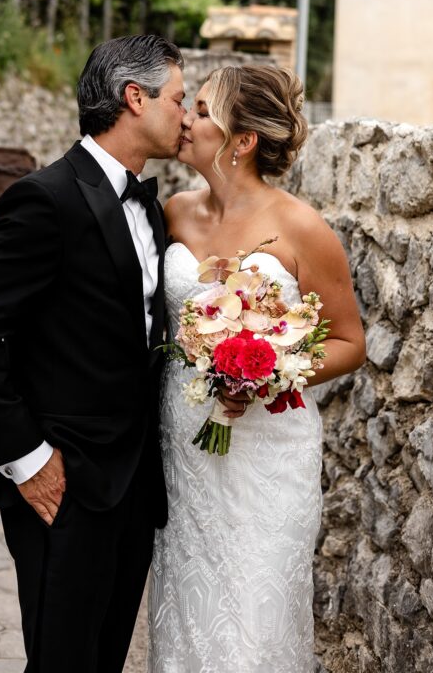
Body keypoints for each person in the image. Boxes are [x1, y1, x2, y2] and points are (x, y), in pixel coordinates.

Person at [0, 34, 186, 673]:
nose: (186, 117)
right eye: (180, 100)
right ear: (135, 98)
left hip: (134, 487)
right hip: (64, 485)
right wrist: (26, 458)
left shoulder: (150, 207)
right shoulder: (43, 199)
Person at [149, 64, 365, 673]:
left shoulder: (301, 227)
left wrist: (269, 370)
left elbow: (350, 341)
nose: (185, 120)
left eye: (201, 113)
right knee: (188, 609)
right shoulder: (174, 214)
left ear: (242, 141)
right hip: (187, 452)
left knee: (253, 623)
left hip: (268, 451)